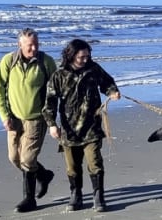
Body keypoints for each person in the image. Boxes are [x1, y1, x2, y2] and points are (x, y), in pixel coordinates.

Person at [43, 39, 121, 212]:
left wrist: (113, 91)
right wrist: (52, 125)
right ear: (71, 55)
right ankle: (76, 195)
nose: (86, 59)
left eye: (88, 56)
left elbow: (107, 82)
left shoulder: (93, 69)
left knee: (95, 162)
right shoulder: (59, 75)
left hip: (92, 126)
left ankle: (98, 197)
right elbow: (50, 102)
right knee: (72, 166)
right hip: (69, 130)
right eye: (81, 57)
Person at [0, 27, 57, 213]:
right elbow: (0, 91)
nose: (34, 48)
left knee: (28, 159)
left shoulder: (46, 62)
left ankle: (29, 200)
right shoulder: (8, 61)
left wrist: (52, 118)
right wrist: (4, 116)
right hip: (14, 119)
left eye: (36, 44)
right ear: (19, 44)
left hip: (37, 119)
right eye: (30, 45)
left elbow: (55, 90)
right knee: (14, 158)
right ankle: (43, 175)